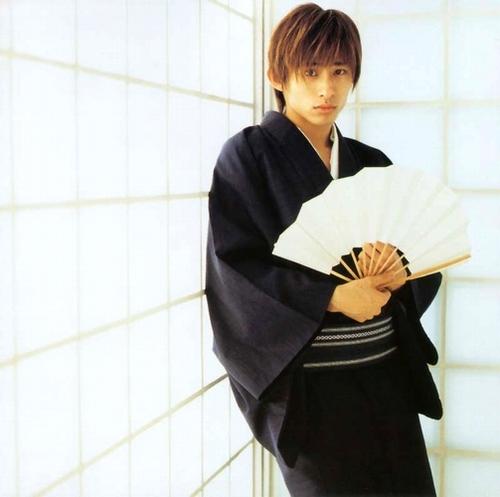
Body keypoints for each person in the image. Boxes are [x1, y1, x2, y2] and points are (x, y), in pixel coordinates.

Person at [205, 3, 443, 496]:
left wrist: (401, 273)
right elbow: (235, 267)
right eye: (310, 71)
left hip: (386, 377)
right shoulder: (248, 156)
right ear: (277, 74)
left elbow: (421, 254)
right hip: (310, 391)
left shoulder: (371, 163)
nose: (326, 89)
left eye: (339, 71)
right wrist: (330, 297)